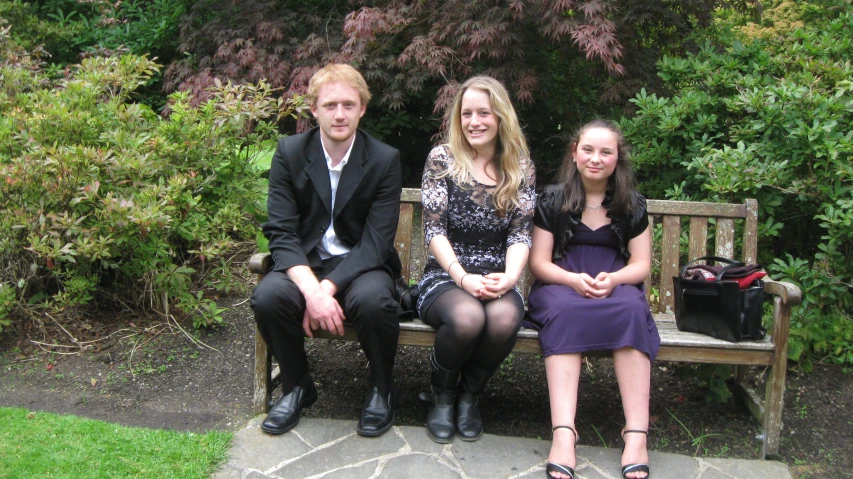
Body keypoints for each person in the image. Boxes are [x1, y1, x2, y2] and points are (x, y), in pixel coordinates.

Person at [251, 64, 402, 437]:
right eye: (330, 104)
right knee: (268, 297)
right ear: (313, 109)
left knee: (376, 303)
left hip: (361, 265)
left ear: (362, 109)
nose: (339, 114)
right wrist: (310, 289)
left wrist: (326, 291)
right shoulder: (289, 152)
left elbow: (376, 242)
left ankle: (380, 391)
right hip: (304, 263)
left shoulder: (383, 160)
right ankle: (298, 386)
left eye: (349, 105)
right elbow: (282, 233)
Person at [526, 120, 659, 479]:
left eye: (606, 152)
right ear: (574, 152)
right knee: (567, 311)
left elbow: (642, 264)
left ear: (618, 159)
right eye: (588, 149)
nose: (595, 159)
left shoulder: (632, 203)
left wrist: (614, 279)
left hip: (613, 287)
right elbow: (539, 263)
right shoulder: (552, 199)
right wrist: (571, 279)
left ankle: (636, 434)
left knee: (632, 309)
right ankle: (564, 433)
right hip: (561, 285)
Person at [416, 76, 536, 444]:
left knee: (502, 320)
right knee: (467, 318)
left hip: (498, 273)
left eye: (484, 112)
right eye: (466, 113)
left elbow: (520, 233)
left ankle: (470, 395)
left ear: (500, 117)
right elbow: (433, 230)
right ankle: (443, 396)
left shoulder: (521, 166)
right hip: (446, 273)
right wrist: (462, 277)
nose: (474, 121)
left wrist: (511, 276)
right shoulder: (442, 159)